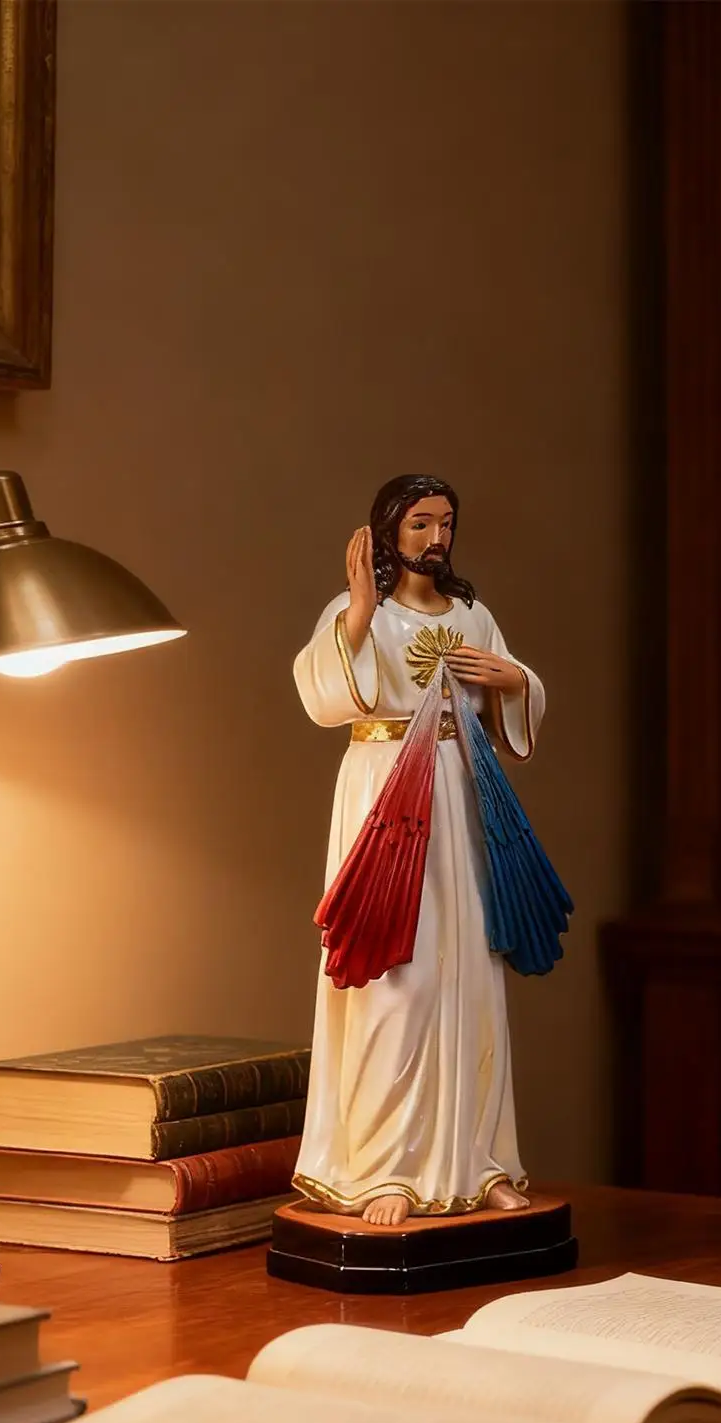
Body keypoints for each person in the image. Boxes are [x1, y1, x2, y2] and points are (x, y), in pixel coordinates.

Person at [291, 474, 543, 1227]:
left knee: (470, 980)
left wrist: (513, 679)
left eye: (446, 524)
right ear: (387, 534)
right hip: (384, 794)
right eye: (420, 525)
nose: (436, 539)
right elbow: (328, 694)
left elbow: (513, 702)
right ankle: (381, 1168)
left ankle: (478, 1163)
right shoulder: (355, 612)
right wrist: (360, 618)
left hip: (464, 796)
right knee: (394, 983)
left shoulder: (473, 614)